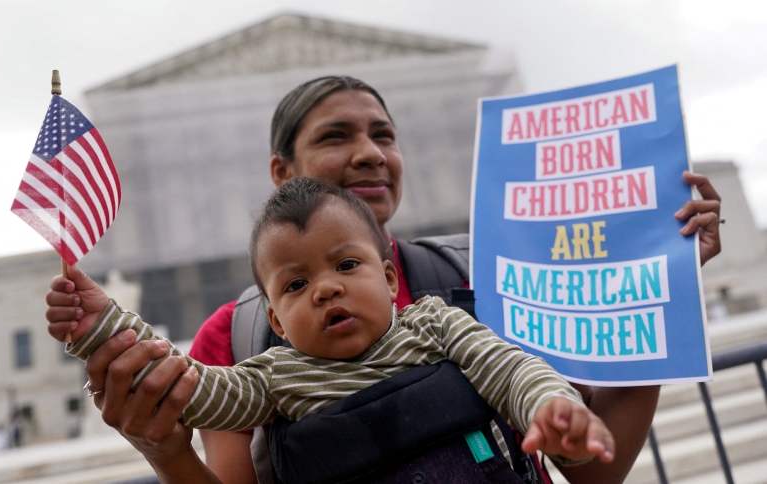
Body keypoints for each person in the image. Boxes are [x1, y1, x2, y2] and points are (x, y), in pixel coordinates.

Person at [45, 76, 722, 484]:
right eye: (338, 135)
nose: (370, 152)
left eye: (384, 135)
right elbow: (193, 389)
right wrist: (158, 439)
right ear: (283, 173)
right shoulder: (244, 340)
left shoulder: (476, 283)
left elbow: (592, 466)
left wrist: (659, 281)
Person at [53, 177, 616, 478]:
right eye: (295, 285)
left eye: (347, 266)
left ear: (389, 277)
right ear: (275, 318)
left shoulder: (437, 324)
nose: (324, 288)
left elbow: (511, 369)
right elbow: (188, 386)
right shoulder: (272, 377)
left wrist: (551, 408)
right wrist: (102, 325)